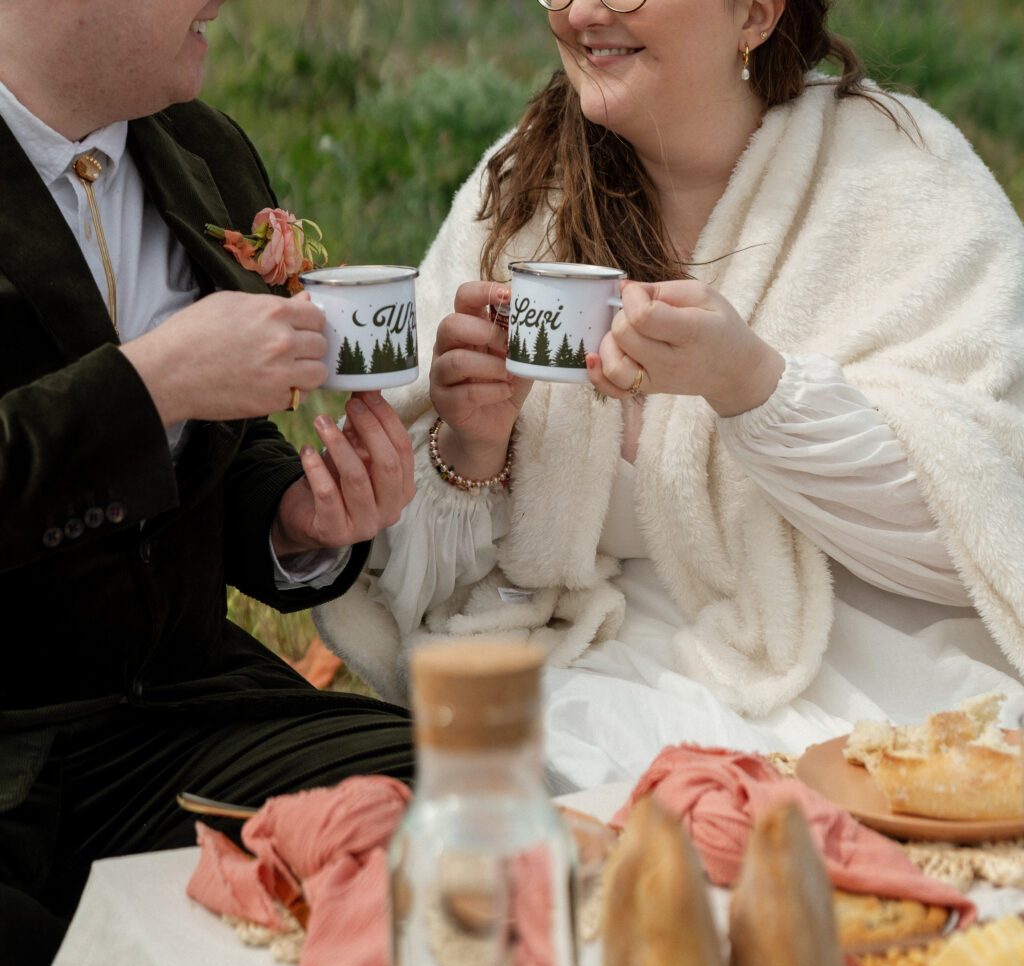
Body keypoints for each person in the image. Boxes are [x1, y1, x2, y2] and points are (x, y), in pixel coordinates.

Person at [315, 0, 1024, 794]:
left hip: (865, 664)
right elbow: (420, 576)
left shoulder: (902, 175)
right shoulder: (525, 187)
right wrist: (471, 446)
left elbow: (983, 512)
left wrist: (753, 387)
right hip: (604, 678)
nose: (583, 12)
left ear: (753, 14)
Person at [0, 1, 417, 966]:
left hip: (184, 708)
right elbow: (158, 400)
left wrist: (298, 523)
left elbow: (223, 454)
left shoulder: (205, 151)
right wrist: (147, 383)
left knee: (466, 809)